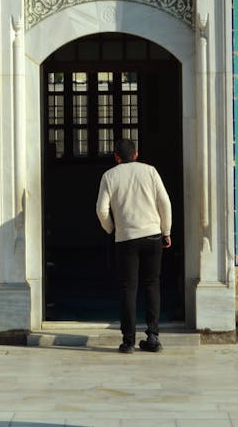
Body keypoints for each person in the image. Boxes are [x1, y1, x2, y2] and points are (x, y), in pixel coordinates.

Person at [96, 138, 171, 353]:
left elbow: (101, 210)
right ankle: (153, 336)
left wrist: (112, 228)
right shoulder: (150, 171)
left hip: (126, 238)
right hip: (152, 235)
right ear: (136, 154)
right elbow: (164, 202)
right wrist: (166, 230)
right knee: (152, 284)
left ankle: (128, 341)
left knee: (128, 288)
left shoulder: (109, 176)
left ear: (116, 157)